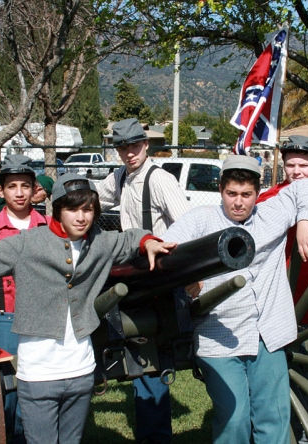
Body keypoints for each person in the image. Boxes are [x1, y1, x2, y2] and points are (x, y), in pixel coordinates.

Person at [0, 173, 177, 444]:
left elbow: (129, 239)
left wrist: (148, 241)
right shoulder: (30, 242)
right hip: (39, 375)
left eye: (87, 209)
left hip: (81, 373)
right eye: (72, 209)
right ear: (57, 210)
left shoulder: (100, 243)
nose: (81, 217)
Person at [162, 155, 308, 444]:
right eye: (231, 194)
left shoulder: (272, 214)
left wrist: (306, 220)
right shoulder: (201, 220)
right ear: (220, 190)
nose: (239, 202)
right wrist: (185, 277)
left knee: (273, 418)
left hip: (269, 333)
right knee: (234, 419)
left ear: (257, 194)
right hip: (219, 335)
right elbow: (167, 250)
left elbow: (306, 187)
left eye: (247, 195)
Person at [98, 117, 191, 444]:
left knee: (149, 350)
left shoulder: (161, 179)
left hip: (161, 276)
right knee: (139, 346)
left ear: (146, 145)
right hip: (134, 272)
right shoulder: (120, 177)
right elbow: (92, 199)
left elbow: (186, 225)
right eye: (122, 148)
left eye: (134, 146)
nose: (129, 153)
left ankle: (154, 435)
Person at [256, 135, 308, 443]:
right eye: (290, 164)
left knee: (306, 378)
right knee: (269, 377)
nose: (297, 171)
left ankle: (304, 436)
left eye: (304, 164)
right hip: (272, 304)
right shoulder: (269, 197)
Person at [0, 154, 50, 443]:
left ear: (35, 190)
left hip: (40, 321)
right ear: (0, 191)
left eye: (25, 186)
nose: (19, 193)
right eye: (12, 186)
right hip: (0, 320)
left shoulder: (48, 227)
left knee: (35, 393)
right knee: (4, 395)